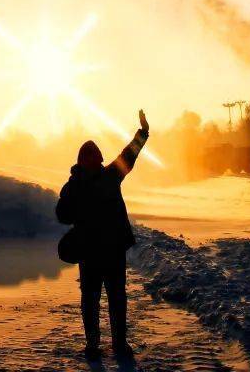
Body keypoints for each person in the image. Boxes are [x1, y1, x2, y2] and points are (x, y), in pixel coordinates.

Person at [56, 109, 150, 362]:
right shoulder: (78, 185)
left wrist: (142, 133)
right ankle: (96, 344)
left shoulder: (107, 176)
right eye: (92, 159)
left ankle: (114, 343)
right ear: (85, 161)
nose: (95, 163)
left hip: (107, 250)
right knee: (96, 299)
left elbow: (128, 155)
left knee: (111, 298)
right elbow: (62, 215)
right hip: (94, 251)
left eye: (96, 159)